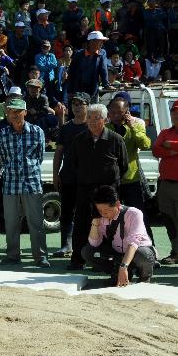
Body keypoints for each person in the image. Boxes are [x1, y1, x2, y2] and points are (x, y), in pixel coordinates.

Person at [68, 103, 129, 270]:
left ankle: (104, 261)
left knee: (107, 226)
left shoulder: (115, 139)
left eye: (96, 118)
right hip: (85, 190)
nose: (92, 121)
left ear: (105, 119)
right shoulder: (79, 139)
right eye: (89, 118)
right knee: (81, 224)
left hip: (107, 191)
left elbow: (123, 166)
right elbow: (74, 163)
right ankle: (77, 259)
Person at [0, 97, 50, 267]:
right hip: (10, 183)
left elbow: (39, 157)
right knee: (11, 223)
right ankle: (12, 255)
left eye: (18, 111)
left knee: (36, 222)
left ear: (25, 113)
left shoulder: (37, 131)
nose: (15, 114)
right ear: (8, 113)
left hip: (31, 183)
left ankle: (40, 257)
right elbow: (3, 159)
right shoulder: (3, 134)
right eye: (12, 111)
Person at [84, 185, 156, 286]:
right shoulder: (100, 217)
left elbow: (134, 242)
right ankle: (119, 272)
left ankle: (144, 278)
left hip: (137, 251)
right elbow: (94, 243)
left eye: (107, 210)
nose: (103, 213)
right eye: (100, 210)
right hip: (117, 254)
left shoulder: (134, 213)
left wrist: (124, 266)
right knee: (87, 252)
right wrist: (95, 223)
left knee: (143, 254)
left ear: (117, 204)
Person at [52, 93, 91, 258]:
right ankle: (66, 245)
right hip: (67, 177)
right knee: (67, 213)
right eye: (74, 104)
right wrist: (55, 174)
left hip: (88, 179)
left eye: (80, 104)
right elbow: (59, 151)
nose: (76, 107)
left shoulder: (93, 126)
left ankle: (88, 247)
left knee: (87, 214)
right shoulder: (66, 127)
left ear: (88, 106)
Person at [152, 102, 178, 265]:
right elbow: (155, 150)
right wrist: (171, 150)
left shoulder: (166, 137)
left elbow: (162, 147)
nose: (176, 115)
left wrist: (169, 146)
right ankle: (175, 251)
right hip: (166, 184)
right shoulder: (165, 132)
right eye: (174, 112)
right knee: (169, 220)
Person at [67, 31, 110, 99]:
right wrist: (70, 91)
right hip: (78, 89)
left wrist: (106, 85)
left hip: (93, 90)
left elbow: (103, 69)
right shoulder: (79, 54)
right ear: (92, 42)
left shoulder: (102, 53)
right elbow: (71, 72)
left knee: (92, 108)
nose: (102, 43)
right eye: (100, 41)